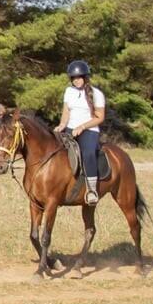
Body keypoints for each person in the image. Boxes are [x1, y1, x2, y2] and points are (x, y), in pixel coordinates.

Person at [56, 59, 105, 205]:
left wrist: (82, 127)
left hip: (89, 129)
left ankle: (91, 190)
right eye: (74, 78)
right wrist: (62, 125)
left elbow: (99, 117)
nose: (76, 81)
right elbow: (66, 112)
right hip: (70, 129)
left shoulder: (97, 94)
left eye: (79, 78)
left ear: (85, 77)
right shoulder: (68, 92)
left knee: (88, 153)